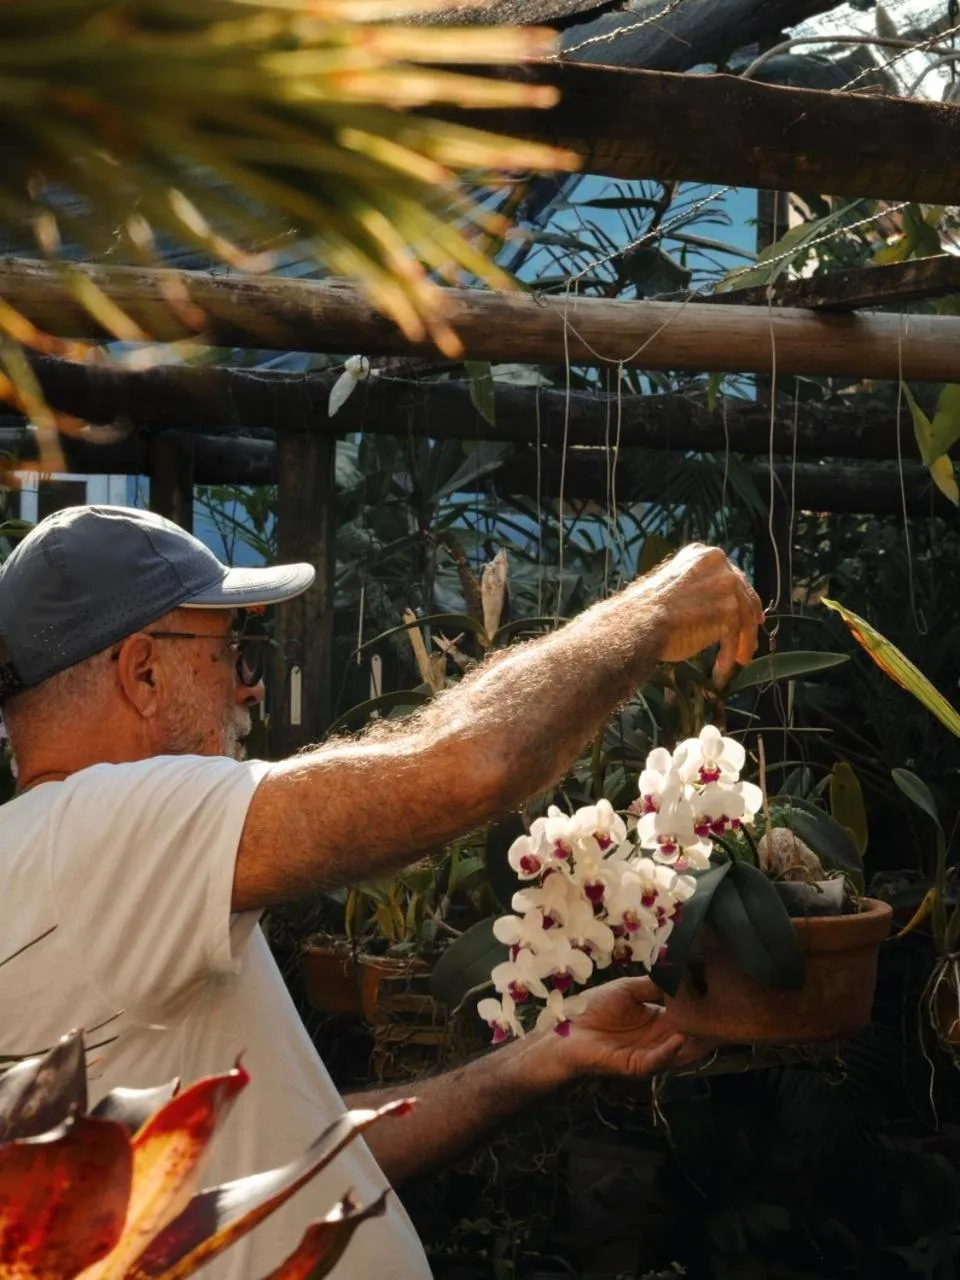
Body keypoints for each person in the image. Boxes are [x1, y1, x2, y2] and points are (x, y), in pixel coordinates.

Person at [0, 504, 762, 1278]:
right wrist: (652, 610)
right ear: (143, 673)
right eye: (236, 652)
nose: (250, 689)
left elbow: (302, 1154)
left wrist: (540, 1058)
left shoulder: (64, 871)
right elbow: (467, 767)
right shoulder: (101, 831)